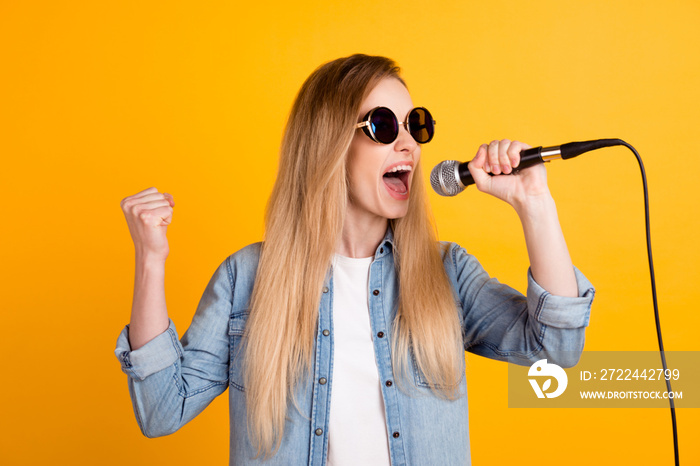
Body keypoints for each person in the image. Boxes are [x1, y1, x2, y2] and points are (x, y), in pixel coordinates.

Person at [115, 54, 594, 465]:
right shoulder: (247, 279)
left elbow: (558, 348)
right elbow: (161, 410)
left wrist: (535, 205)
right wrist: (151, 261)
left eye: (416, 125)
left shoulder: (446, 273)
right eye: (384, 125)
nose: (408, 143)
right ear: (329, 145)